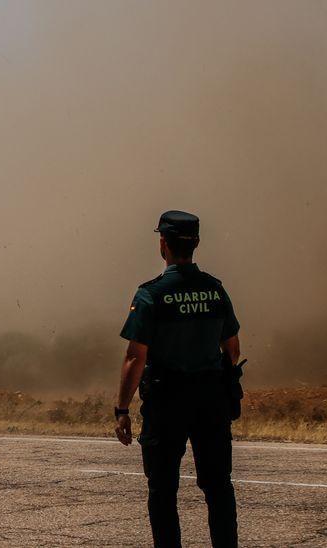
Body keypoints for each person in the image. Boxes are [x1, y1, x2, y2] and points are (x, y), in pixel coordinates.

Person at [114, 210, 242, 547]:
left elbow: (134, 357)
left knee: (163, 489)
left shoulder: (151, 295)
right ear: (196, 243)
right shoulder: (215, 290)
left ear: (162, 244)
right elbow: (232, 348)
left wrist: (122, 410)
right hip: (211, 400)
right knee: (218, 487)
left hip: (166, 402)